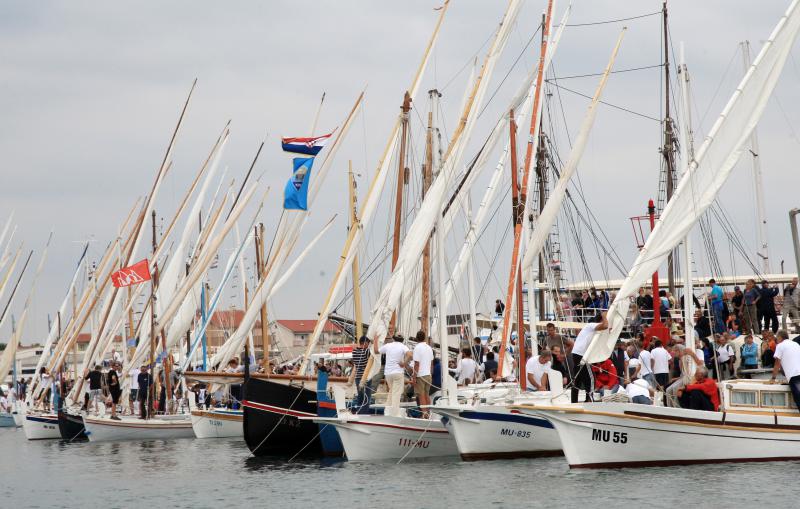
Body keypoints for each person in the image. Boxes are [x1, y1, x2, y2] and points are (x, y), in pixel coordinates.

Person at [570, 312, 608, 403]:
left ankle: (574, 402)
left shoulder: (592, 330)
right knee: (591, 379)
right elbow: (605, 326)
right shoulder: (591, 325)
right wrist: (605, 316)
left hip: (576, 353)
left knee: (577, 379)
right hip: (581, 355)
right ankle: (589, 400)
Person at [374, 334, 409, 417]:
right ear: (402, 340)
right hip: (397, 372)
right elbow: (410, 355)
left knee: (391, 391)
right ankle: (395, 414)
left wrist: (375, 340)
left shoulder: (388, 345)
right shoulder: (403, 346)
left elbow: (376, 351)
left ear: (393, 339)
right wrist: (404, 363)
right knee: (397, 393)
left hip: (388, 373)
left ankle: (388, 410)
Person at [771, 329, 800, 411]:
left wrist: (773, 378)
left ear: (780, 337)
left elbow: (777, 364)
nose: (776, 340)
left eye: (777, 338)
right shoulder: (796, 344)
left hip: (794, 375)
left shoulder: (780, 346)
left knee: (798, 399)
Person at [411, 330, 434, 417]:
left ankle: (424, 414)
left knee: (421, 395)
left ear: (417, 338)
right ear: (424, 338)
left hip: (421, 375)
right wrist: (431, 373)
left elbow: (417, 364)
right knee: (427, 395)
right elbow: (432, 363)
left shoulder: (417, 348)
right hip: (428, 375)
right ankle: (428, 412)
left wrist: (414, 377)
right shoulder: (429, 348)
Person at [348, 336, 370, 413]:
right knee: (367, 397)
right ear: (365, 343)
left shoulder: (354, 352)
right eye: (368, 343)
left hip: (357, 376)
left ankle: (358, 411)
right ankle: (364, 412)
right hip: (365, 377)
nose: (368, 345)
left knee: (360, 396)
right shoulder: (366, 351)